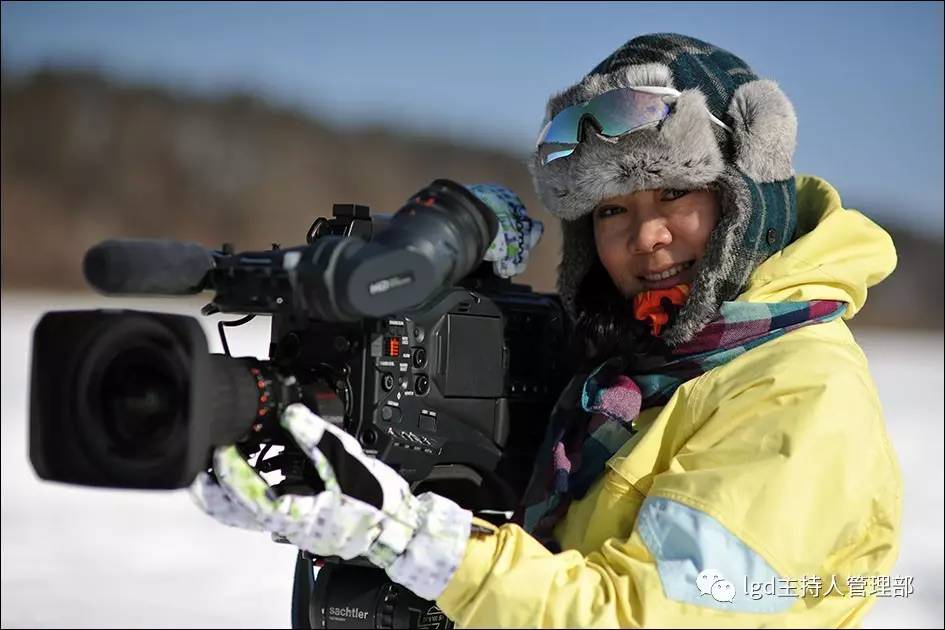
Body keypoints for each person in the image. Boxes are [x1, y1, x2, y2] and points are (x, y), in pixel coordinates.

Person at [192, 33, 902, 627]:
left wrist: (413, 540)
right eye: (608, 211)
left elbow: (637, 617)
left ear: (747, 195)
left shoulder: (798, 392)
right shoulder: (646, 373)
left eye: (674, 193)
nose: (645, 237)